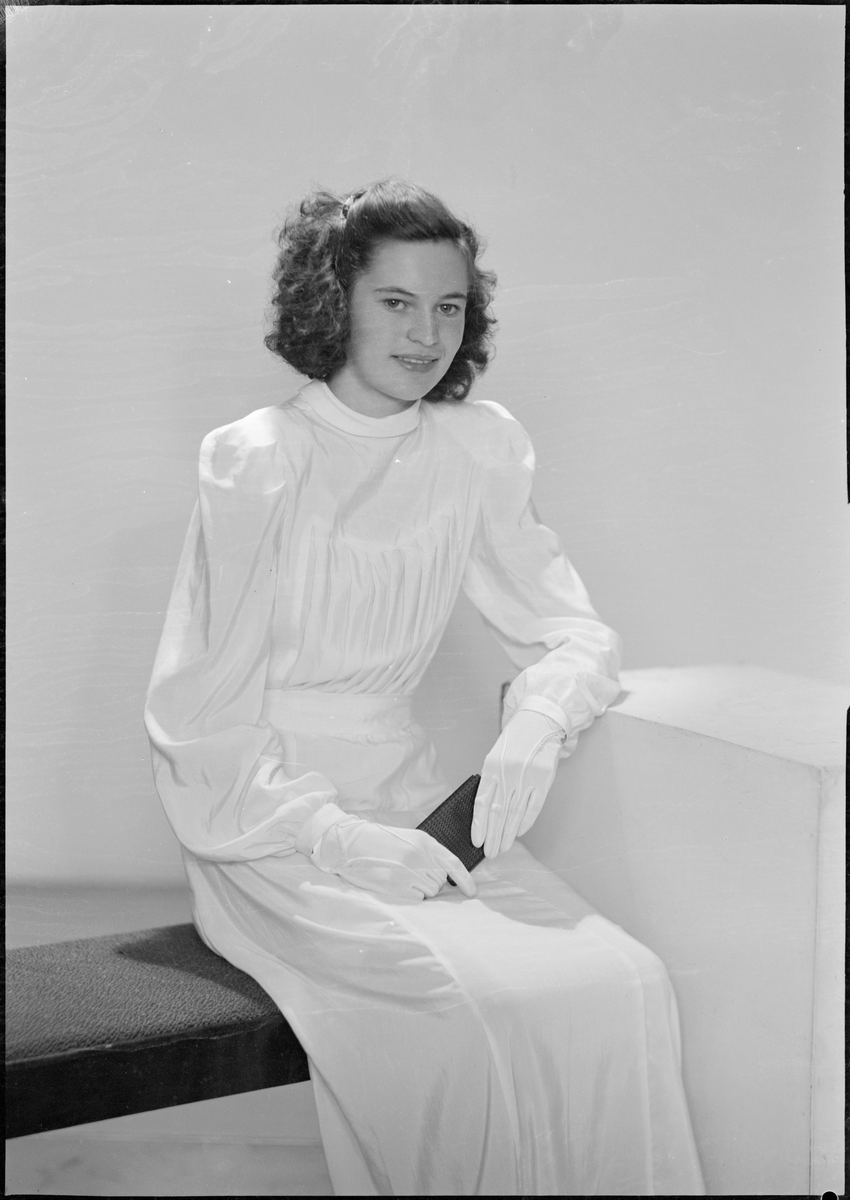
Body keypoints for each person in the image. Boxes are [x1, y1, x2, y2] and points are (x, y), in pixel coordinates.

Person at [144, 179, 705, 1196]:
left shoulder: (474, 445)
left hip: (412, 798)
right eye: (395, 302)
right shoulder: (259, 458)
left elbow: (575, 633)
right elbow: (197, 721)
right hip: (268, 822)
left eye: (448, 306)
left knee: (622, 980)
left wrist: (538, 719)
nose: (426, 334)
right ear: (334, 302)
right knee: (468, 1007)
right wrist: (340, 839)